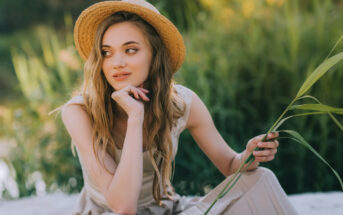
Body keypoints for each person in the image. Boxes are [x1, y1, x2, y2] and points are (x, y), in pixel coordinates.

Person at [61, 0, 298, 214]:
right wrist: (135, 117)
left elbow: (228, 165)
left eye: (130, 50)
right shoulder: (80, 111)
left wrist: (248, 156)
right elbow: (123, 206)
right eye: (106, 53)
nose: (117, 63)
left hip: (167, 210)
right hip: (110, 213)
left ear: (155, 54)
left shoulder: (182, 103)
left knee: (261, 179)